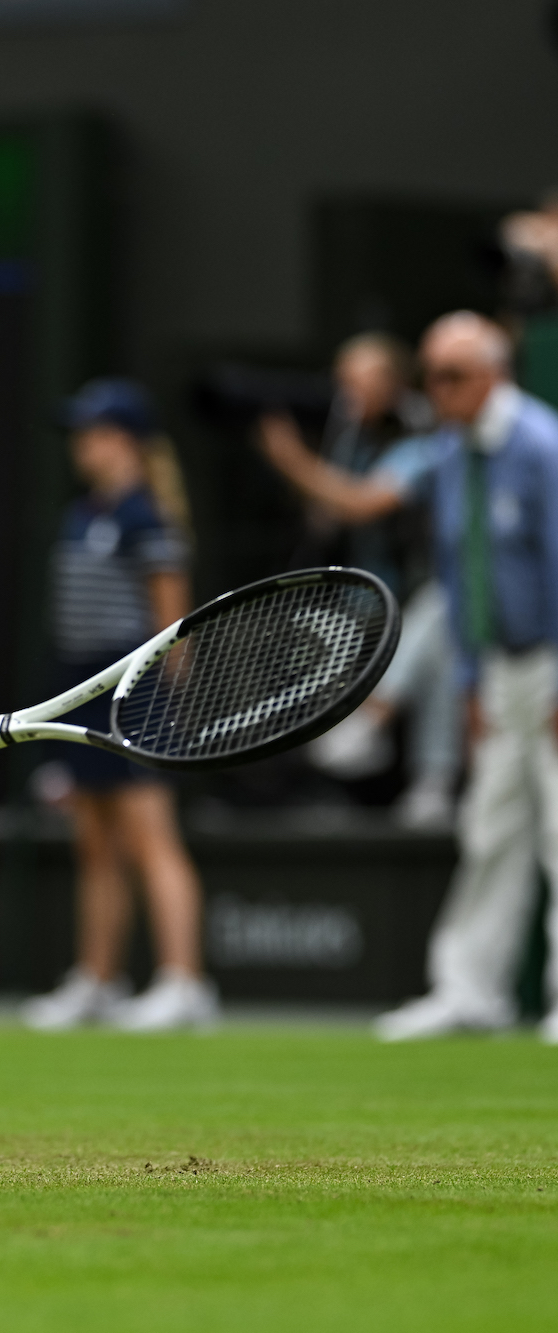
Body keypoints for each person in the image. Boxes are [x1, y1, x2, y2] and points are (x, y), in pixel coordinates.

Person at [245, 311, 558, 1044]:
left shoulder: (542, 448)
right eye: (431, 376)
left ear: (492, 374)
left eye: (452, 376)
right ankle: (469, 990)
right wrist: (475, 681)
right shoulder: (448, 456)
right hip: (502, 669)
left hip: (552, 662)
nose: (437, 390)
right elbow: (457, 571)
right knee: (491, 832)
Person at [22, 380, 216, 1033]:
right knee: (96, 843)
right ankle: (99, 980)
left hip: (138, 693)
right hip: (82, 688)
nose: (84, 446)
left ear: (127, 440)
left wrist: (167, 701)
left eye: (95, 432)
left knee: (152, 840)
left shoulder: (147, 517)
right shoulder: (85, 512)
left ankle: (185, 982)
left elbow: (171, 626)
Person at [257, 335, 460, 828]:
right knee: (294, 632)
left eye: (358, 379)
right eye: (340, 379)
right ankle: (311, 775)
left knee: (439, 630)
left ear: (392, 383)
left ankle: (387, 736)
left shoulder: (427, 434)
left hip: (424, 593)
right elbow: (328, 513)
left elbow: (363, 502)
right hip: (357, 599)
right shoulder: (349, 435)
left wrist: (290, 459)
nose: (345, 391)